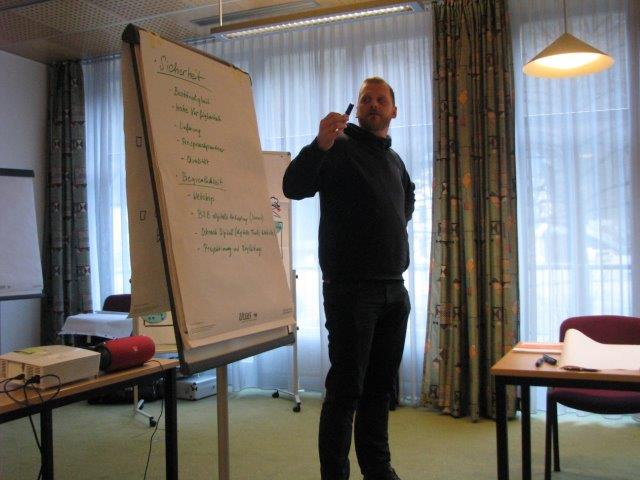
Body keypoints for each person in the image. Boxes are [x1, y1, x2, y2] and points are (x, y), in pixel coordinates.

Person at [283, 77, 415, 480]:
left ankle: (378, 468)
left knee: (380, 391)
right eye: (366, 99)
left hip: (394, 290)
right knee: (345, 393)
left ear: (394, 110)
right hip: (351, 291)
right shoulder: (338, 147)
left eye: (381, 99)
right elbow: (293, 186)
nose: (373, 104)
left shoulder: (394, 161)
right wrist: (319, 144)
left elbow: (407, 200)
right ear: (356, 109)